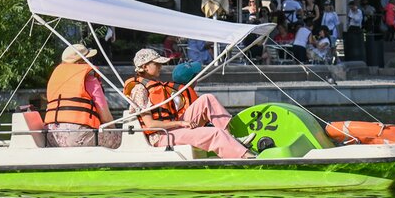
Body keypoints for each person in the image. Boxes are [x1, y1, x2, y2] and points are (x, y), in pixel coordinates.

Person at [124, 48, 254, 159]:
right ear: (145, 67)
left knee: (207, 99)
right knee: (214, 133)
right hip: (160, 136)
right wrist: (181, 123)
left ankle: (231, 138)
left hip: (170, 128)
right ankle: (246, 157)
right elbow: (151, 125)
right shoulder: (140, 90)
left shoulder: (153, 85)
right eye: (156, 64)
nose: (160, 66)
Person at [44, 44, 120, 148]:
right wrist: (114, 129)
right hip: (78, 137)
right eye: (88, 58)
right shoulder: (90, 80)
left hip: (51, 136)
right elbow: (106, 117)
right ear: (81, 62)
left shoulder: (54, 80)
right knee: (119, 137)